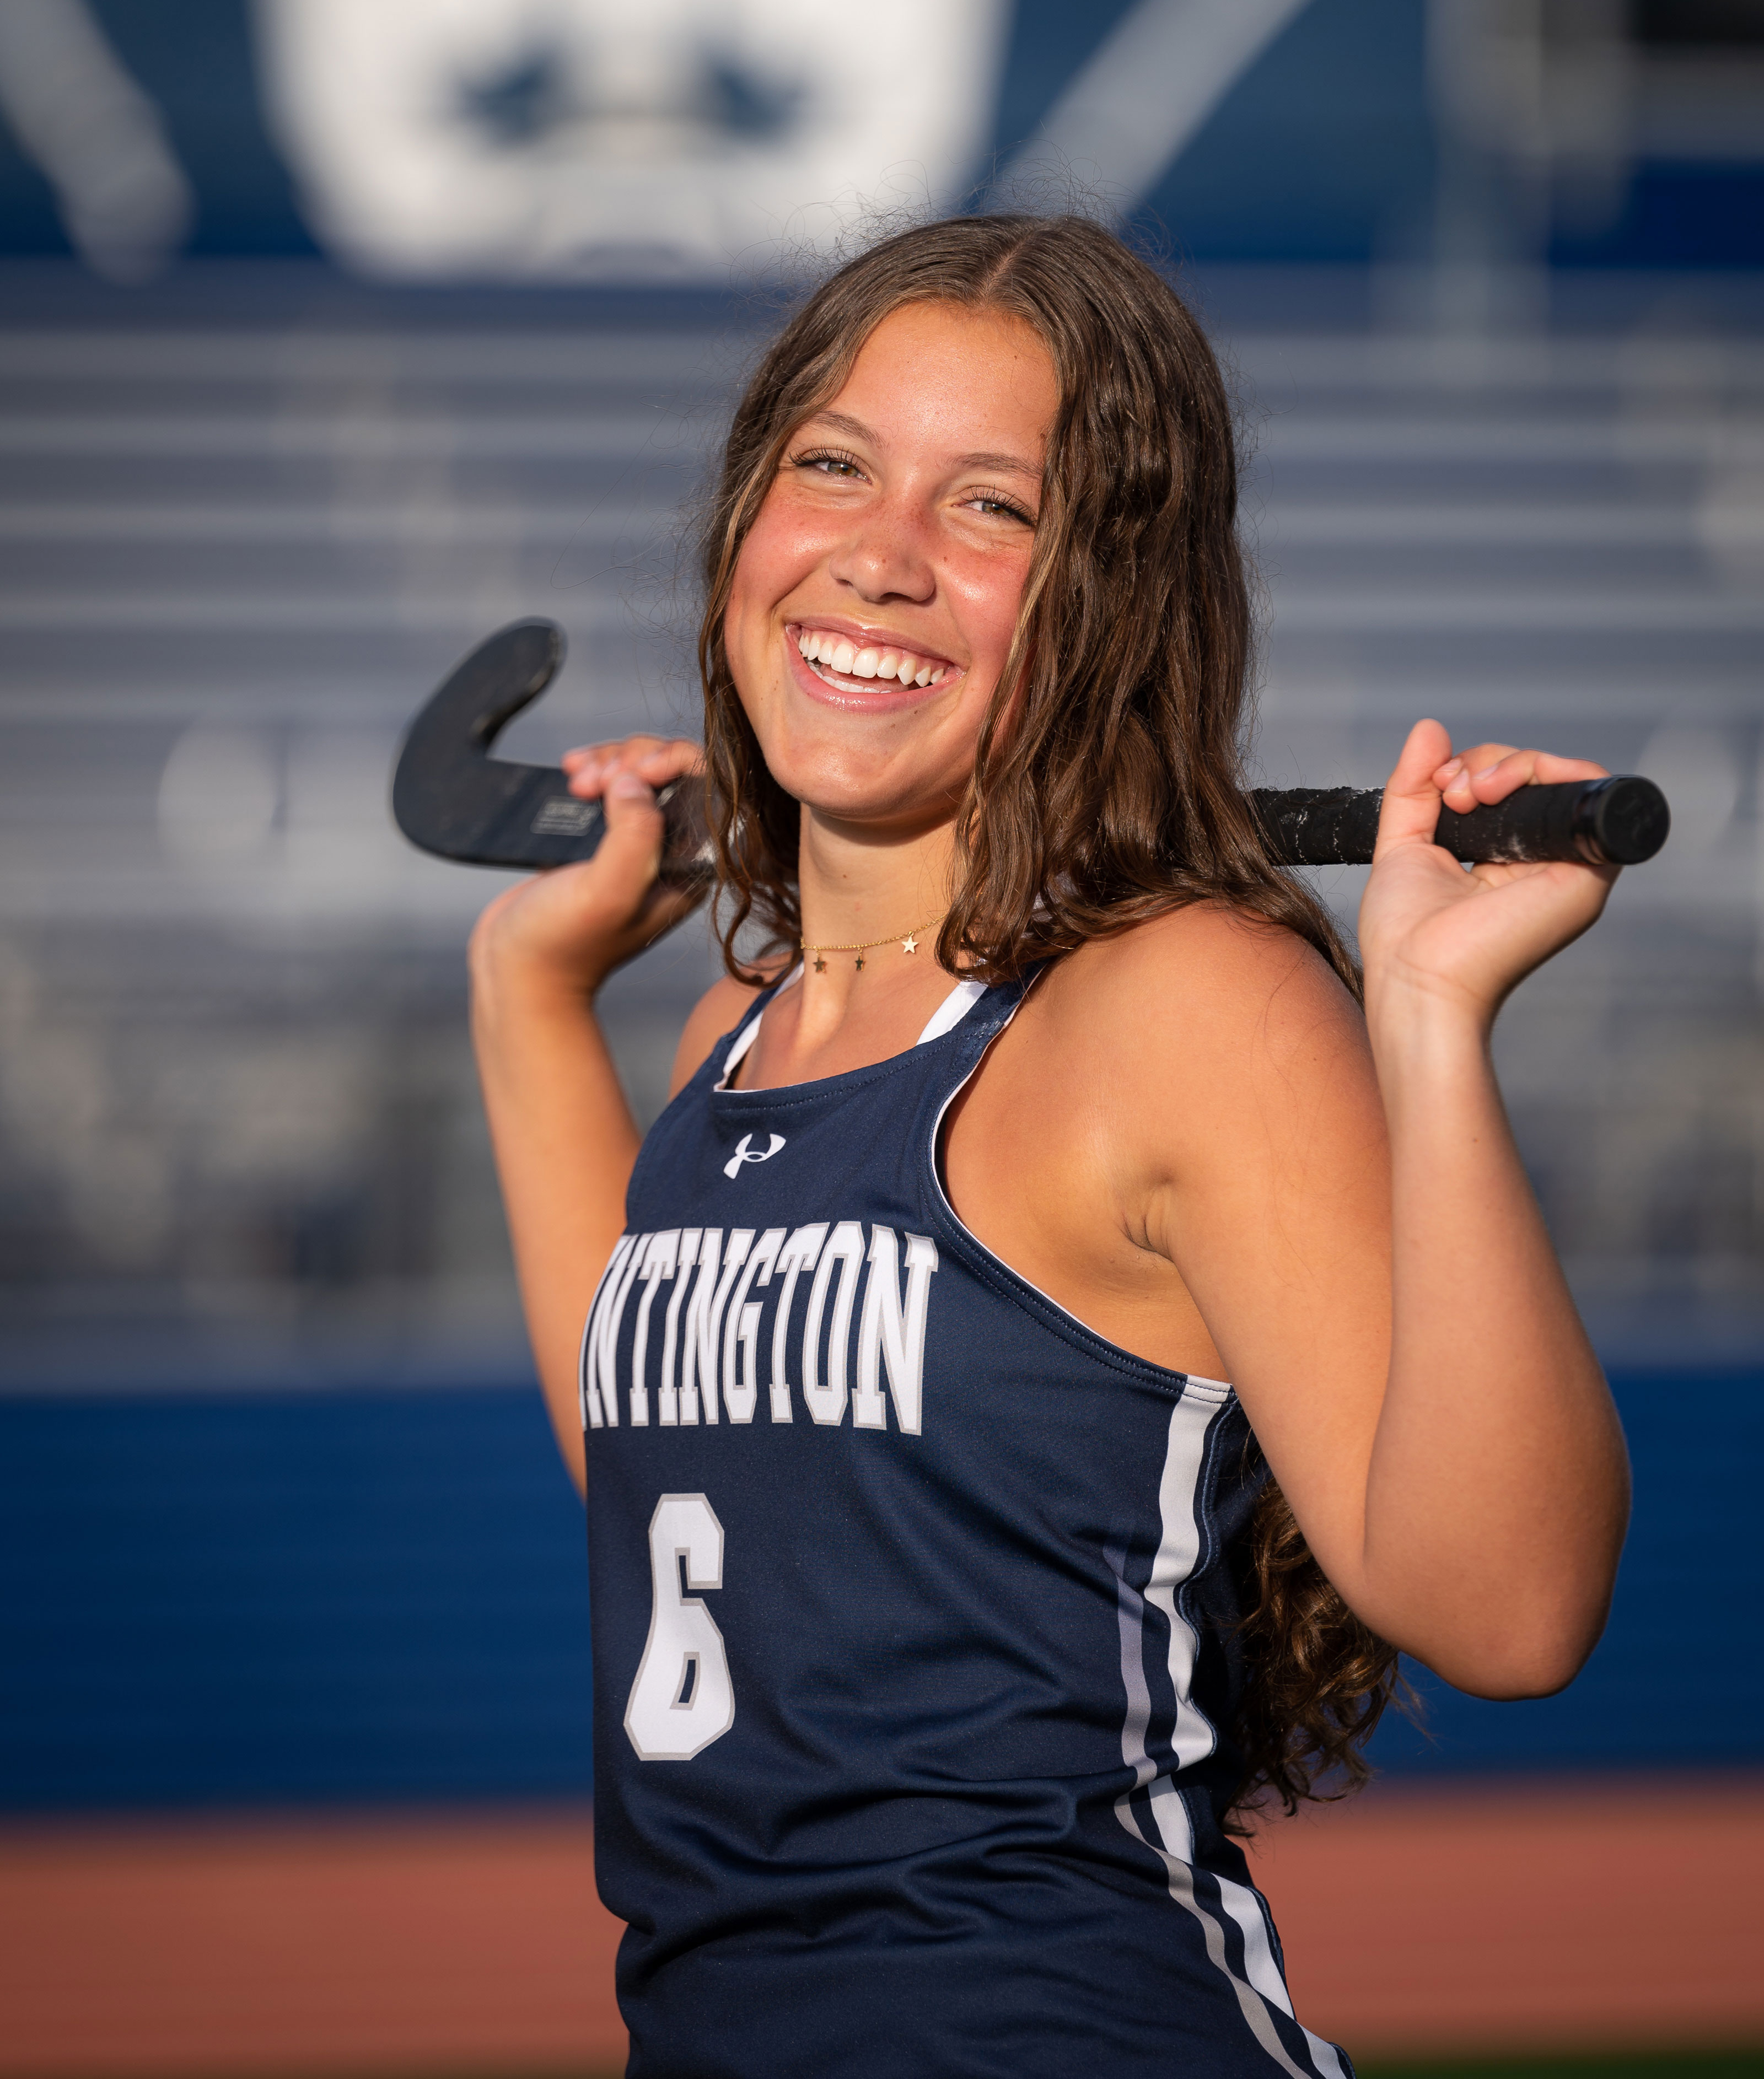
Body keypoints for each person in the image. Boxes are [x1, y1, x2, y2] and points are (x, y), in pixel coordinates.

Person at [469, 216, 1630, 2078]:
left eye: (993, 509)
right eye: (833, 464)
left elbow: (1506, 1606)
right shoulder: (731, 1042)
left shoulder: (1177, 1002)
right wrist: (529, 1003)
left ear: (1114, 603)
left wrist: (1427, 1020)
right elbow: (666, 1470)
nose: (880, 556)